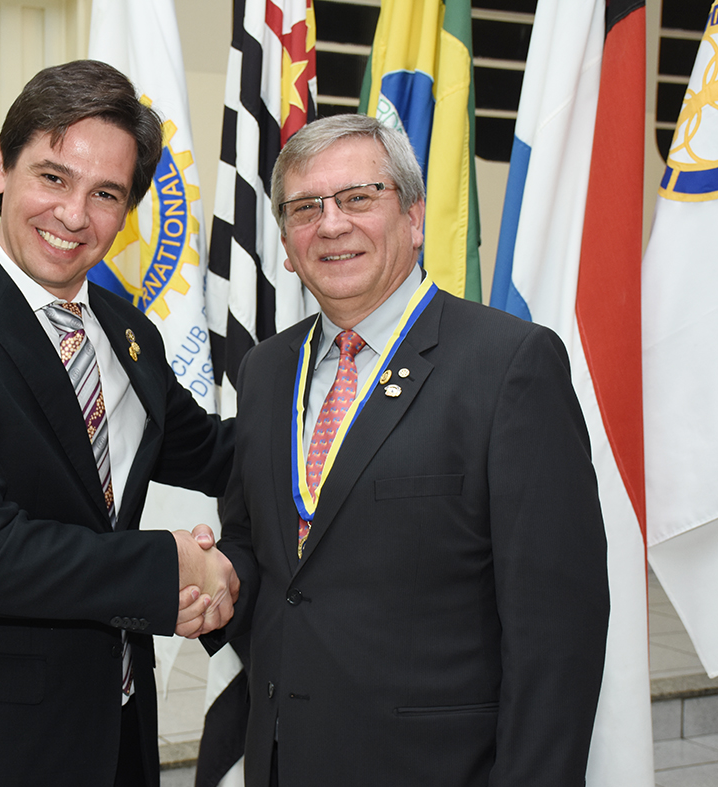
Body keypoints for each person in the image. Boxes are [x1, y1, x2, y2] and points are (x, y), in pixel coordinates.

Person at [0, 60, 237, 787]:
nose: (73, 214)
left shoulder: (127, 332)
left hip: (113, 731)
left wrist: (339, 403)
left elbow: (215, 453)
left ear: (128, 211)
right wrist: (171, 565)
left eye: (105, 194)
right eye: (53, 177)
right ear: (1, 166)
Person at [203, 114, 609, 786]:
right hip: (285, 759)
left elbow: (557, 630)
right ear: (285, 243)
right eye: (305, 208)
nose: (331, 224)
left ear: (414, 217)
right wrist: (215, 580)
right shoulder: (266, 370)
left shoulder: (509, 365)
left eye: (358, 198)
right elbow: (267, 549)